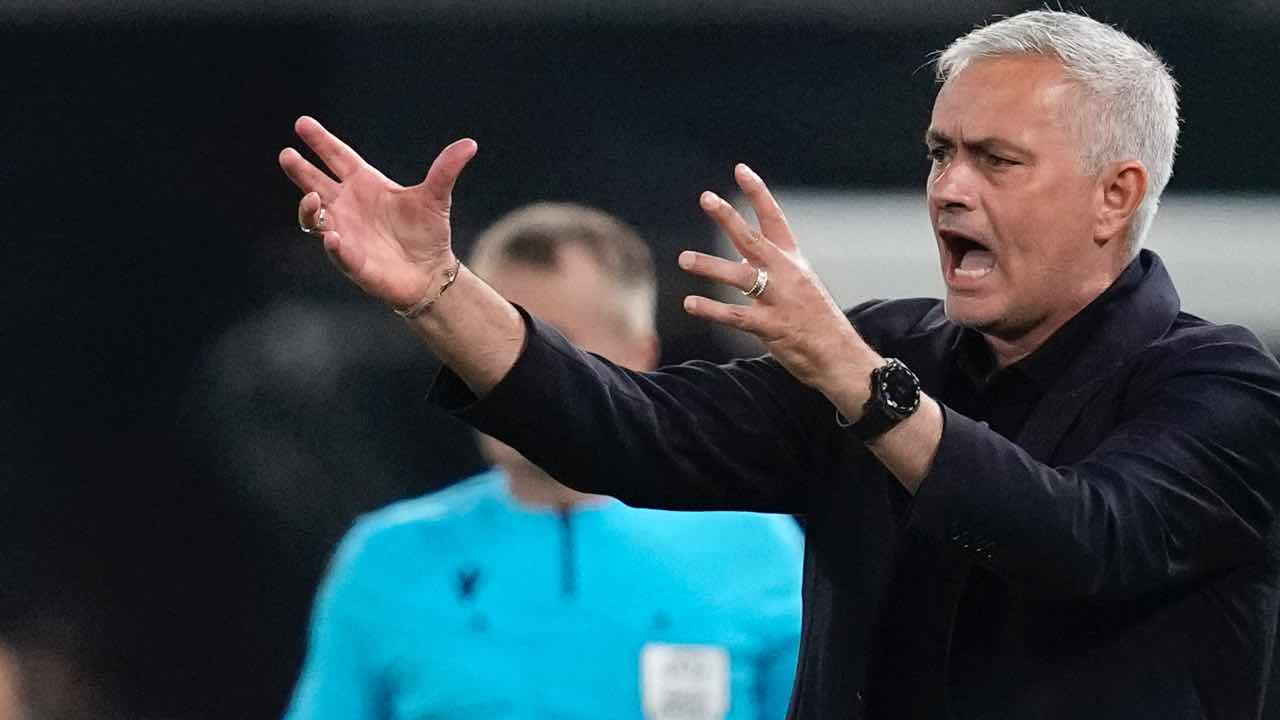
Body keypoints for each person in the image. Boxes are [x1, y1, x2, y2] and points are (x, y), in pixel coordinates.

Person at [278, 10, 1280, 719]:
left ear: (1115, 195)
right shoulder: (885, 350)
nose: (947, 188)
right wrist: (437, 290)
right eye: (940, 153)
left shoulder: (1220, 389)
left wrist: (859, 383)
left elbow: (1078, 539)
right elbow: (625, 428)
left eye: (996, 160)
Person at [282, 202, 804, 720]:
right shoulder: (384, 559)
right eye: (482, 344)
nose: (506, 375)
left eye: (550, 352)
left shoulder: (757, 546)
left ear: (640, 358)